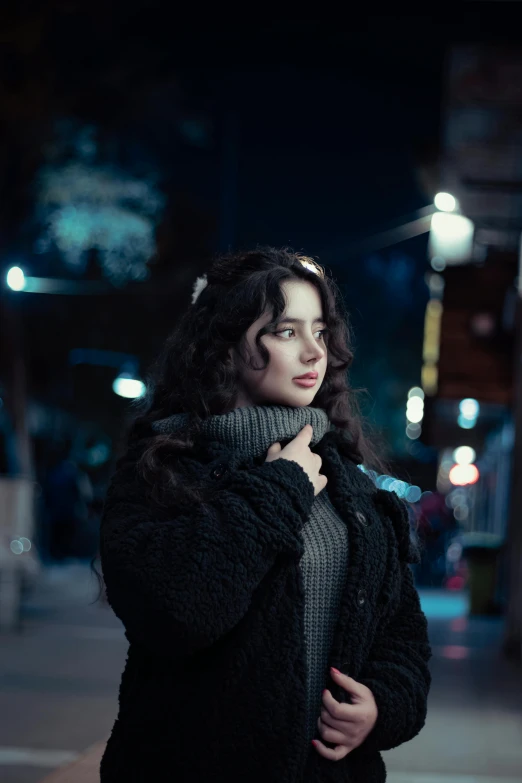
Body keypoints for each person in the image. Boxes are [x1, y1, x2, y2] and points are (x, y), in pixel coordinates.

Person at [98, 247, 431, 783]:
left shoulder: (348, 485)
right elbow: (178, 614)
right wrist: (279, 488)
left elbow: (402, 636)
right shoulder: (164, 470)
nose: (311, 353)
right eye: (285, 331)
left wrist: (380, 709)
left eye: (319, 332)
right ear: (226, 347)